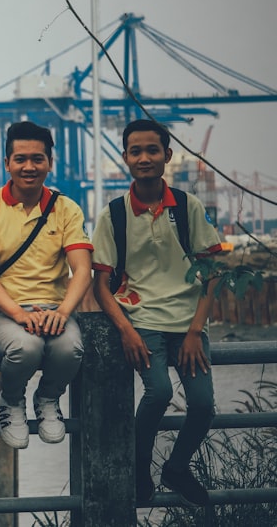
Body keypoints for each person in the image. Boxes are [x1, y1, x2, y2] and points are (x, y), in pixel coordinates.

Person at [92, 119, 223, 506]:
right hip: (142, 320)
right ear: (125, 158)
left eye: (152, 150)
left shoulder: (187, 206)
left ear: (167, 155)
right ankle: (138, 470)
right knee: (159, 391)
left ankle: (177, 467)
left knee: (203, 405)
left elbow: (211, 271)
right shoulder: (113, 215)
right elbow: (100, 285)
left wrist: (196, 330)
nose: (144, 157)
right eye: (136, 151)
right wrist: (126, 331)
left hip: (188, 325)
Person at [0, 121, 92, 450]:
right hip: (1, 312)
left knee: (71, 348)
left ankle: (49, 397)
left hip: (54, 309)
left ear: (50, 163)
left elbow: (82, 269)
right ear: (7, 163)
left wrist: (64, 312)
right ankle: (10, 402)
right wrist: (19, 314)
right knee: (26, 347)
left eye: (38, 159)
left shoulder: (67, 209)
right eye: (20, 159)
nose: (29, 167)